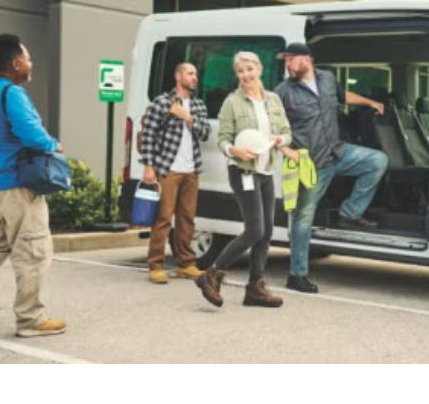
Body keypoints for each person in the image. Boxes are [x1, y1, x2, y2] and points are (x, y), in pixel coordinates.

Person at [0, 34, 66, 338]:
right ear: (15, 63)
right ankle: (30, 320)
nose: (31, 63)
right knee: (35, 250)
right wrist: (54, 145)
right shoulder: (13, 93)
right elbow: (32, 134)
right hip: (14, 186)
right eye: (28, 58)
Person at [275, 41, 388, 293]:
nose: (288, 64)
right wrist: (285, 150)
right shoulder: (283, 91)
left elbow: (342, 95)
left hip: (338, 152)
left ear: (306, 59)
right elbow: (271, 126)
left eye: (290, 59)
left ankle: (349, 211)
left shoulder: (326, 78)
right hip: (311, 164)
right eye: (286, 60)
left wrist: (370, 102)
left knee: (377, 160)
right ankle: (297, 274)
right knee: (303, 219)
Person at [196, 51, 297, 309]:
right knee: (255, 230)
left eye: (249, 69)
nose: (245, 75)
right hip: (243, 171)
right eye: (240, 71)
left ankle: (255, 288)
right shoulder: (232, 102)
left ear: (259, 69)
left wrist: (279, 140)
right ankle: (211, 273)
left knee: (266, 233)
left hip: (265, 171)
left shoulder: (273, 100)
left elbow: (286, 132)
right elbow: (223, 139)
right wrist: (235, 151)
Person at [141, 62, 211, 284]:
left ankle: (186, 264)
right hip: (168, 168)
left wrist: (187, 117)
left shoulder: (198, 105)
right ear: (178, 75)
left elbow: (205, 133)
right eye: (190, 73)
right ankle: (156, 265)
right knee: (163, 219)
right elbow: (148, 134)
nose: (194, 78)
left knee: (187, 219)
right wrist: (149, 166)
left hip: (191, 170)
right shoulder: (162, 102)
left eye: (196, 74)